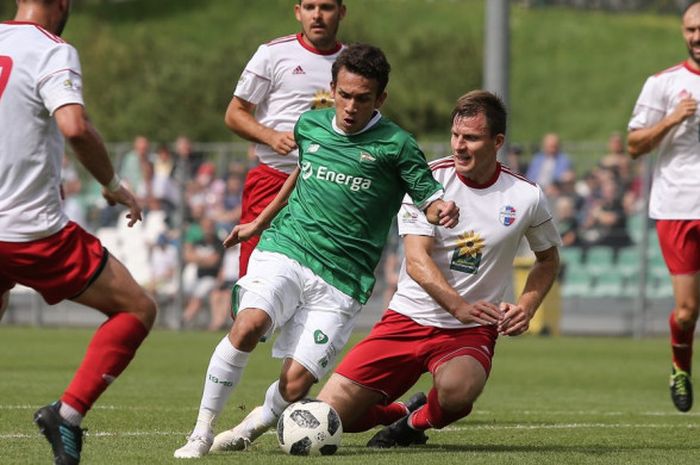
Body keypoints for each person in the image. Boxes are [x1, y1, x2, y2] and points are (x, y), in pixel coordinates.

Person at [173, 43, 459, 458]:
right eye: (344, 95)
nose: (350, 107)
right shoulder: (310, 125)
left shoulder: (397, 145)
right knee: (249, 324)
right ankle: (200, 432)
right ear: (332, 89)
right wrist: (259, 221)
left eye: (363, 98)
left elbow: (428, 194)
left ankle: (250, 426)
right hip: (288, 248)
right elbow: (298, 174)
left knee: (296, 384)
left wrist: (441, 208)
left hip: (343, 278)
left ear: (380, 99)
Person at [315, 90, 561, 447]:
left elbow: (548, 259)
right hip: (407, 319)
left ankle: (413, 425)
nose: (459, 146)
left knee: (458, 392)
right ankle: (398, 412)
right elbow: (417, 261)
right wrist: (458, 306)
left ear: (498, 142)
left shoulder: (526, 196)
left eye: (472, 138)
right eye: (456, 135)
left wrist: (526, 307)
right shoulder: (427, 181)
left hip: (469, 331)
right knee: (333, 418)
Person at [0, 2, 157, 464]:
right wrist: (112, 185)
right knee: (137, 308)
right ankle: (66, 416)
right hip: (31, 233)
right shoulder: (52, 50)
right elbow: (74, 125)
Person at [224, 0, 346, 278]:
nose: (317, 15)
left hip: (329, 186)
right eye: (310, 6)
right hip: (274, 178)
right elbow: (234, 113)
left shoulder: (353, 62)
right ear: (297, 12)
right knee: (255, 278)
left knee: (317, 280)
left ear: (342, 12)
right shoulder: (273, 54)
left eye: (326, 7)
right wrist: (270, 136)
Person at [627, 1, 700, 413]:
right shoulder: (663, 84)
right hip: (679, 207)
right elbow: (635, 145)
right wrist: (672, 120)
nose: (697, 36)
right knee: (688, 312)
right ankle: (680, 367)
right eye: (690, 29)